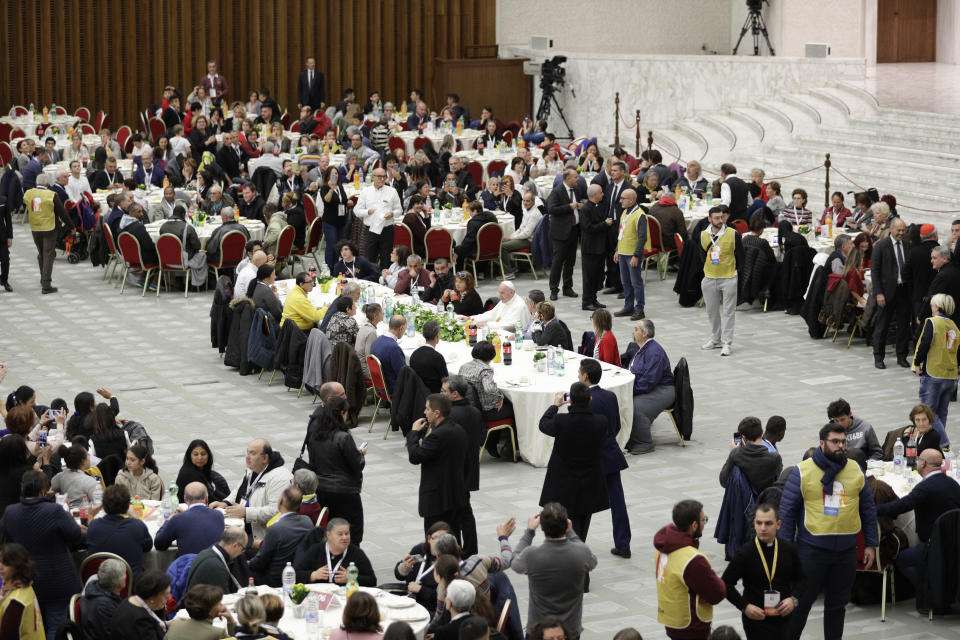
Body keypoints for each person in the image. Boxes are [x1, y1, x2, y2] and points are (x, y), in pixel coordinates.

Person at [778, 423, 878, 640]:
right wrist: (786, 553)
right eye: (835, 442)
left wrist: (871, 543)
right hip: (811, 552)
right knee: (800, 604)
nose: (841, 446)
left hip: (846, 552)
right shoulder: (802, 471)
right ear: (822, 443)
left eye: (843, 442)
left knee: (837, 607)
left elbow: (868, 509)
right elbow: (786, 514)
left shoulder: (855, 469)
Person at [1, 471, 81, 639]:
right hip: (57, 580)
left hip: (26, 580)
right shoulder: (54, 511)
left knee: (33, 626)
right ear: (45, 491)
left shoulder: (10, 512)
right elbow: (75, 535)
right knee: (56, 626)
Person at [876, 449, 960, 586]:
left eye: (919, 460)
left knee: (902, 560)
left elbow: (901, 506)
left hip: (934, 546)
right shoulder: (953, 484)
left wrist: (873, 510)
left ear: (923, 464)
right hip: (955, 542)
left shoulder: (924, 488)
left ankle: (929, 590)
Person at [511, 503, 596, 638]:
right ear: (567, 524)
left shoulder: (532, 555)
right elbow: (592, 561)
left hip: (538, 631)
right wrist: (572, 533)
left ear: (542, 527)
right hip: (570, 631)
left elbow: (514, 562)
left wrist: (529, 532)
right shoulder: (581, 553)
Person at [538, 383, 608, 545]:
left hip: (565, 484)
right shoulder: (600, 422)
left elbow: (543, 424)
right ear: (590, 399)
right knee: (582, 527)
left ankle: (574, 561)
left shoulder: (561, 421)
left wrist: (555, 406)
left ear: (570, 401)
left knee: (568, 528)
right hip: (590, 484)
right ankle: (579, 557)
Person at [721, 503, 803, 640]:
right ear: (754, 523)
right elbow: (725, 584)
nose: (763, 528)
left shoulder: (789, 550)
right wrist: (744, 606)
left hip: (785, 618)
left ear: (778, 524)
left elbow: (802, 579)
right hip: (756, 620)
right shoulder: (745, 553)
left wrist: (793, 599)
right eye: (759, 523)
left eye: (768, 523)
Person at [654, 499, 726, 640]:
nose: (704, 523)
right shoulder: (693, 560)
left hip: (671, 622)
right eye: (703, 520)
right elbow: (717, 593)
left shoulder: (661, 549)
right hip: (692, 628)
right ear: (694, 525)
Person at [407, 394, 473, 545]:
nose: (424, 412)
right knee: (453, 536)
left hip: (437, 499)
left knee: (436, 541)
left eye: (427, 409)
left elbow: (415, 456)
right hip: (455, 495)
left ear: (437, 413)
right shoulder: (458, 430)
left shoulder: (438, 435)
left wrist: (414, 433)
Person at [307, 397, 366, 542]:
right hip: (345, 492)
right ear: (341, 413)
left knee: (330, 530)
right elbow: (357, 464)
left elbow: (313, 463)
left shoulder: (315, 436)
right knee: (352, 532)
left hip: (322, 490)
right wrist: (360, 454)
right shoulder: (344, 438)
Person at [210, 439, 293, 542]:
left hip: (262, 536)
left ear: (265, 458)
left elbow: (276, 511)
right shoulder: (253, 468)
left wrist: (246, 512)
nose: (247, 457)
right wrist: (225, 503)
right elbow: (239, 490)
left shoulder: (280, 478)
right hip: (244, 526)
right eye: (247, 452)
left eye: (252, 453)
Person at [913, 292, 959, 446]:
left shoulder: (932, 322)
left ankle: (943, 444)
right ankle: (937, 445)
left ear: (937, 307)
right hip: (951, 375)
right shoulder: (954, 326)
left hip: (934, 373)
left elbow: (925, 343)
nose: (931, 308)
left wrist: (918, 362)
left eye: (932, 305)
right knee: (941, 414)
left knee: (928, 413)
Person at [459, 342, 516, 457]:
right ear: (492, 355)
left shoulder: (464, 366)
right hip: (485, 411)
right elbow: (489, 388)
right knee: (516, 410)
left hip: (468, 408)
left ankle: (492, 442)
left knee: (502, 405)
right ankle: (509, 448)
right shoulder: (485, 370)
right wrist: (500, 396)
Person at [626, 319, 674, 455]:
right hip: (650, 386)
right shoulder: (642, 348)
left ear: (644, 334)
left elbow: (648, 382)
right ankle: (630, 437)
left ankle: (644, 442)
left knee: (636, 406)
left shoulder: (654, 352)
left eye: (636, 329)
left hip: (663, 389)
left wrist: (630, 391)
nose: (633, 332)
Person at [248, 487, 313, 587]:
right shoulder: (307, 521)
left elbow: (260, 561)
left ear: (281, 501)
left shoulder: (275, 529)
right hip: (297, 574)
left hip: (275, 579)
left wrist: (247, 563)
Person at [701, 205, 743, 356]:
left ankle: (727, 342)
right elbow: (701, 255)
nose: (720, 220)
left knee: (728, 312)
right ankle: (715, 339)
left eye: (722, 217)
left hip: (729, 276)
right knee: (712, 311)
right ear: (710, 219)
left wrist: (735, 272)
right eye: (717, 218)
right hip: (710, 277)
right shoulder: (703, 235)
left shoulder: (733, 233)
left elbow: (741, 256)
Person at [24, 173, 75, 294]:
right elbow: (63, 213)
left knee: (41, 253)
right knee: (49, 254)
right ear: (47, 184)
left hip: (35, 228)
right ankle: (46, 284)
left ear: (36, 183)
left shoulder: (28, 193)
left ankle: (43, 279)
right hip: (49, 228)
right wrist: (72, 226)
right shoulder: (51, 195)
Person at [85, 484, 153, 575]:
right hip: (129, 585)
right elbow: (148, 546)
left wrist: (90, 515)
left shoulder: (93, 526)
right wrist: (135, 516)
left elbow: (90, 533)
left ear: (104, 506)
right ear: (127, 506)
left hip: (100, 582)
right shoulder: (137, 526)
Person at [871, 217, 911, 369]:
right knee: (883, 325)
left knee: (903, 325)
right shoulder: (881, 246)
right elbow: (875, 271)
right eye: (898, 230)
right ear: (891, 229)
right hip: (887, 292)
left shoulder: (908, 245)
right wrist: (879, 293)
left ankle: (902, 356)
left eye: (903, 230)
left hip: (903, 290)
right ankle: (878, 356)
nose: (901, 233)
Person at [293, 517, 376, 586]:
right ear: (328, 535)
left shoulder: (356, 553)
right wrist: (312, 575)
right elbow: (295, 574)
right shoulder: (316, 550)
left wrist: (352, 579)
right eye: (340, 534)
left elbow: (372, 580)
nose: (345, 537)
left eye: (347, 533)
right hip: (320, 598)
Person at [155, 482, 225, 556]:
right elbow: (198, 521)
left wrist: (169, 519)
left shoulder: (178, 519)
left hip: (190, 566)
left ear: (185, 500)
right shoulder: (218, 515)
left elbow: (159, 544)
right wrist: (186, 514)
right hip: (215, 565)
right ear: (207, 499)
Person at [546, 169, 585, 300]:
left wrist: (580, 206)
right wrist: (569, 207)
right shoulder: (557, 191)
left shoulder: (577, 190)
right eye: (575, 177)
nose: (577, 179)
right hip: (560, 232)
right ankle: (554, 289)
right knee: (558, 262)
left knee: (571, 261)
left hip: (574, 230)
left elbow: (576, 205)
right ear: (567, 179)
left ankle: (567, 287)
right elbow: (551, 209)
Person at [394, 522, 451, 609]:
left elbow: (445, 599)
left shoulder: (450, 562)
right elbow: (399, 576)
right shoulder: (420, 550)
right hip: (408, 599)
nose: (439, 543)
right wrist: (402, 570)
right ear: (429, 538)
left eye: (444, 539)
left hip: (429, 608)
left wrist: (421, 590)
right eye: (436, 538)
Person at [720, 417, 783, 493]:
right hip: (765, 502)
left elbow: (723, 482)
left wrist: (733, 451)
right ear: (762, 431)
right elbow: (778, 483)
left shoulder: (736, 455)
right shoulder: (775, 458)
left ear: (743, 438)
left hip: (745, 503)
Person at [612, 188, 648, 321]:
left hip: (632, 254)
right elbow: (622, 232)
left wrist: (637, 255)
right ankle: (628, 306)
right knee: (625, 282)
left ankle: (639, 309)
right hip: (622, 252)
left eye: (623, 198)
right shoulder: (625, 212)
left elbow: (642, 237)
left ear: (631, 200)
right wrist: (617, 249)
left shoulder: (640, 215)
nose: (620, 200)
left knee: (636, 282)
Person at [356, 167, 403, 268]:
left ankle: (384, 281)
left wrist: (392, 214)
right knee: (369, 259)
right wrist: (368, 212)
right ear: (373, 177)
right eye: (379, 177)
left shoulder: (392, 191)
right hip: (370, 230)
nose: (382, 179)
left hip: (387, 230)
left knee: (387, 260)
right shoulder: (365, 192)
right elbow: (357, 211)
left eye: (384, 176)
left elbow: (399, 210)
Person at [108, 570, 170, 640]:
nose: (168, 598)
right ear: (152, 596)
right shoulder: (141, 621)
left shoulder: (131, 600)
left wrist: (166, 624)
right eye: (166, 594)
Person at [0, 543, 45, 640]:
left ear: (18, 567)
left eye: (6, 564)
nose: (1, 567)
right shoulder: (26, 586)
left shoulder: (15, 604)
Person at [185, 527, 248, 594]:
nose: (241, 553)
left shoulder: (207, 551)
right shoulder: (216, 567)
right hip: (200, 603)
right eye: (242, 549)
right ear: (235, 545)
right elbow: (224, 599)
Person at [163, 584, 236, 640]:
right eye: (219, 603)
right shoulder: (218, 633)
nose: (222, 606)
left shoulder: (175, 624)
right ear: (210, 611)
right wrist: (230, 619)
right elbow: (235, 638)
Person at [579, 184, 611, 310]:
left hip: (599, 247)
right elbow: (588, 228)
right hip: (590, 248)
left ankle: (593, 299)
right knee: (589, 276)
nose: (603, 194)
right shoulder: (586, 209)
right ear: (595, 195)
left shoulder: (597, 206)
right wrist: (605, 224)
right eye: (601, 192)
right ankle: (586, 302)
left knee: (597, 275)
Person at [79, 558, 126, 640]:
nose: (126, 576)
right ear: (119, 583)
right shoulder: (104, 606)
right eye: (124, 575)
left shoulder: (94, 587)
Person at [51, 440, 101, 507]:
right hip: (83, 515)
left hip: (64, 512)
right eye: (88, 455)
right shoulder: (89, 482)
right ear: (83, 461)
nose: (89, 458)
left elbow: (49, 491)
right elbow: (99, 505)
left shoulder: (59, 477)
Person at [452, 201, 497, 270]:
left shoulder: (473, 223)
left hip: (478, 251)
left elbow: (469, 242)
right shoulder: (492, 218)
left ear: (475, 211)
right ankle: (482, 270)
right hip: (493, 248)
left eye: (470, 212)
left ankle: (459, 271)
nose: (469, 214)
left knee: (458, 249)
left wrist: (457, 251)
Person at [370, 315, 408, 394]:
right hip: (391, 388)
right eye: (404, 329)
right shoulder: (394, 348)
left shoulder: (376, 341)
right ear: (401, 329)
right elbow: (404, 374)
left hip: (380, 385)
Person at [410, 320, 448, 393]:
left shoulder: (414, 354)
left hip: (417, 396)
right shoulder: (437, 358)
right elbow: (446, 381)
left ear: (423, 335)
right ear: (437, 335)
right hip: (434, 398)